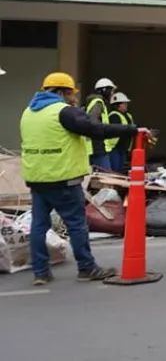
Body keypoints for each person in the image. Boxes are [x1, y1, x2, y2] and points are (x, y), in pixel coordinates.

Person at [20, 72, 145, 285]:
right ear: (61, 92)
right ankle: (87, 267)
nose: (74, 97)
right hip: (63, 178)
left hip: (37, 178)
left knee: (39, 226)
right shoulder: (63, 112)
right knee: (77, 224)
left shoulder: (28, 112)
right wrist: (131, 130)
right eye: (71, 93)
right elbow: (95, 129)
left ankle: (40, 272)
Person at [84, 77, 116, 171]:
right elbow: (92, 121)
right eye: (111, 91)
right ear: (104, 90)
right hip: (98, 147)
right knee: (106, 178)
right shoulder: (98, 103)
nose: (112, 94)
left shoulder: (95, 102)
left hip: (94, 147)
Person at [106, 92, 136, 173]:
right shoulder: (114, 115)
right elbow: (117, 129)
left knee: (120, 170)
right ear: (118, 105)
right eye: (124, 103)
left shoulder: (128, 115)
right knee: (115, 170)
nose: (126, 105)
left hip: (124, 148)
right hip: (114, 148)